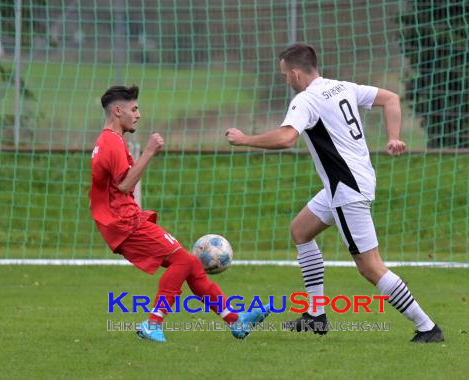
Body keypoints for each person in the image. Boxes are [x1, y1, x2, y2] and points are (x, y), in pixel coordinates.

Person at [226, 43, 443, 343]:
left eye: (286, 75)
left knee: (370, 267)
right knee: (301, 230)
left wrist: (244, 139)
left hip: (346, 188)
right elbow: (391, 99)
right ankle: (316, 317)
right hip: (353, 180)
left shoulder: (306, 100)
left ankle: (427, 327)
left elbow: (287, 138)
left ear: (297, 73)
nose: (286, 81)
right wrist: (394, 138)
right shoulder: (342, 87)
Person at [90, 85, 270, 343]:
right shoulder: (111, 142)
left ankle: (235, 321)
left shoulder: (108, 141)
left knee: (192, 263)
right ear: (118, 111)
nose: (138, 114)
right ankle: (153, 323)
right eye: (134, 109)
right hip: (125, 223)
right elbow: (125, 185)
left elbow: (112, 186)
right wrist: (150, 151)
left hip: (124, 220)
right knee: (183, 262)